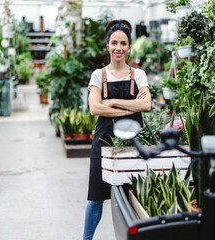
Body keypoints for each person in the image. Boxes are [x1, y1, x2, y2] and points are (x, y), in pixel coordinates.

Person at [83, 19, 151, 240]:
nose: (118, 48)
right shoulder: (98, 75)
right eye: (114, 43)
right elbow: (94, 108)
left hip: (133, 143)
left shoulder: (138, 75)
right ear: (107, 46)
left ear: (129, 46)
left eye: (123, 43)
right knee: (95, 197)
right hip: (104, 141)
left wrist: (111, 103)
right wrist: (129, 107)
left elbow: (146, 105)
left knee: (133, 193)